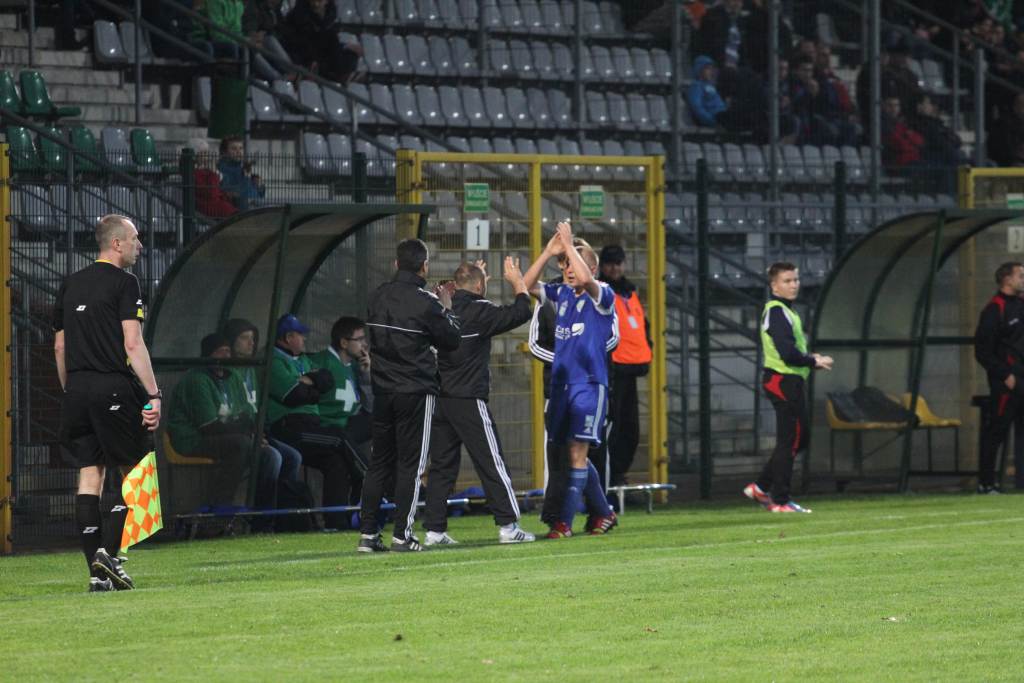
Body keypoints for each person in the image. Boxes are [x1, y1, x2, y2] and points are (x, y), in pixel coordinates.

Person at [54, 214, 162, 592]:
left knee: (89, 475)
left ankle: (97, 573)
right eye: (135, 239)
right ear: (116, 244)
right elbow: (133, 344)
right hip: (112, 387)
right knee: (132, 471)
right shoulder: (125, 282)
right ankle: (111, 555)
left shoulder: (69, 283)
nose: (140, 246)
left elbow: (61, 345)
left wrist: (73, 389)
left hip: (77, 390)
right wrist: (153, 393)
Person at [357, 239, 462, 553]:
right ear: (424, 266)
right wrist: (445, 306)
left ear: (395, 264)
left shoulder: (376, 296)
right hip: (415, 390)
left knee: (379, 463)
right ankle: (402, 535)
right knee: (411, 465)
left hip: (382, 390)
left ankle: (367, 535)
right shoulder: (426, 303)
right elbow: (452, 339)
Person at [422, 258, 536, 546]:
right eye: (483, 278)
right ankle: (509, 526)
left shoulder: (440, 308)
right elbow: (522, 311)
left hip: (441, 400)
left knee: (442, 467)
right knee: (491, 462)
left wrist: (473, 273)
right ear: (478, 284)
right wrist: (516, 281)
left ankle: (434, 531)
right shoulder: (479, 309)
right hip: (469, 399)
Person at [522, 222, 618, 538]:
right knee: (570, 453)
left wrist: (568, 243)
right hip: (562, 386)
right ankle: (603, 512)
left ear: (591, 267)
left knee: (578, 453)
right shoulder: (561, 293)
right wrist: (549, 251)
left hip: (589, 385)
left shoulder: (603, 295)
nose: (567, 269)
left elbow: (589, 280)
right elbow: (525, 285)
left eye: (573, 262)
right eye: (564, 264)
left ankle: (563, 523)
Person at [166, 333, 296, 512]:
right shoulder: (197, 379)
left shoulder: (233, 375)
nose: (226, 356)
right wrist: (249, 436)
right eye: (220, 351)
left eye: (228, 351)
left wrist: (256, 436)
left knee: (275, 455)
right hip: (191, 440)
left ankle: (264, 516)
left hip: (231, 437)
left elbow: (246, 416)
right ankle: (220, 507)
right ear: (208, 356)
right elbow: (208, 426)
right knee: (241, 445)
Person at [743, 262, 833, 514]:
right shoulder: (776, 310)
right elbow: (786, 352)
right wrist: (812, 360)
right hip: (782, 380)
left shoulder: (785, 311)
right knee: (791, 439)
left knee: (797, 438)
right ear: (774, 285)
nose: (793, 285)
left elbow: (791, 351)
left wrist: (808, 359)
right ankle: (780, 500)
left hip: (790, 380)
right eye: (787, 281)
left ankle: (761, 487)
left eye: (795, 280)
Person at [266, 314, 361, 529]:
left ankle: (336, 522)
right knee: (338, 438)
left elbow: (326, 382)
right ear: (288, 337)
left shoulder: (302, 359)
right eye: (300, 335)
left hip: (311, 423)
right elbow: (293, 395)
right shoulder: (273, 359)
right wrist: (310, 385)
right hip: (289, 427)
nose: (304, 339)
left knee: (335, 462)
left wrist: (307, 383)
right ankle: (366, 480)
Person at [220, 317, 303, 487]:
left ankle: (284, 506)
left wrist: (263, 432)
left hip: (257, 432)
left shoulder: (252, 369)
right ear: (231, 340)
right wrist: (253, 435)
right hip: (238, 434)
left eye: (253, 338)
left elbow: (258, 407)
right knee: (273, 457)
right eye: (244, 338)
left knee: (293, 457)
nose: (251, 343)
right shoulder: (226, 372)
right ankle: (261, 510)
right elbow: (232, 412)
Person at [597, 245, 652, 494]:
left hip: (631, 368)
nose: (615, 268)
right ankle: (607, 477)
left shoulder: (630, 292)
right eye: (610, 263)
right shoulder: (601, 291)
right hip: (613, 369)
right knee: (613, 425)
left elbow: (642, 325)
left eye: (618, 262)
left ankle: (617, 474)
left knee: (630, 428)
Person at [973, 262, 1024, 494]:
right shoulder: (995, 309)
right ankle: (986, 482)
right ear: (1007, 279)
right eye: (1021, 275)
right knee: (997, 431)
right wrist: (1005, 374)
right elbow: (983, 351)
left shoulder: (1021, 305)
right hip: (1006, 382)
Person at [307, 316, 373, 492]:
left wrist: (366, 377)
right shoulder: (321, 362)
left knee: (386, 421)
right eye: (359, 339)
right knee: (339, 463)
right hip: (329, 428)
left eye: (364, 339)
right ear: (344, 342)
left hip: (350, 425)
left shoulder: (354, 366)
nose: (364, 344)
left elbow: (370, 409)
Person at [280, 0, 363, 84]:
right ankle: (339, 75)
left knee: (351, 53)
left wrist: (345, 46)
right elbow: (300, 41)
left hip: (321, 53)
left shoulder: (329, 16)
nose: (316, 4)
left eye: (320, 1)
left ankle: (343, 75)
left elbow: (326, 41)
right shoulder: (299, 16)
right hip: (303, 53)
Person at [188, 138, 238, 220]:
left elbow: (216, 189)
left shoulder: (203, 170)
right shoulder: (195, 173)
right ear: (195, 155)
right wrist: (213, 172)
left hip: (220, 207)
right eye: (204, 153)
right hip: (210, 209)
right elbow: (212, 194)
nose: (207, 155)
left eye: (207, 152)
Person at [218, 136, 266, 211]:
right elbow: (232, 194)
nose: (238, 151)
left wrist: (259, 186)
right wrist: (247, 179)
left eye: (241, 148)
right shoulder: (222, 170)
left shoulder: (242, 167)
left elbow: (256, 193)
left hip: (254, 209)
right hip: (240, 213)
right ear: (224, 152)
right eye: (234, 148)